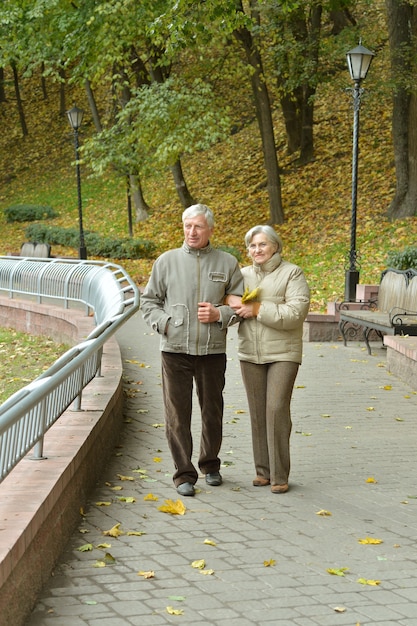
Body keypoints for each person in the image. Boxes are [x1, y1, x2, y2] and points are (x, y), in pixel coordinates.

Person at [140, 204, 244, 497]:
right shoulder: (166, 262)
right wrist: (165, 323)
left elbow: (239, 306)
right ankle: (183, 473)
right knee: (177, 414)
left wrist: (219, 315)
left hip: (212, 351)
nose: (192, 232)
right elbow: (148, 302)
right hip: (174, 351)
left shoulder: (227, 263)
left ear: (210, 229)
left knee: (212, 410)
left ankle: (210, 464)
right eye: (187, 226)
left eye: (198, 226)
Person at [226, 225, 310, 494]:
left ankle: (279, 474)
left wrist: (257, 308)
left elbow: (296, 312)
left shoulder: (292, 273)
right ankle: (262, 471)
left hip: (284, 353)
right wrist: (228, 302)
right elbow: (232, 307)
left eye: (262, 244)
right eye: (252, 245)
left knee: (275, 409)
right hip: (250, 352)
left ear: (275, 246)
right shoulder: (243, 275)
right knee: (257, 412)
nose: (257, 250)